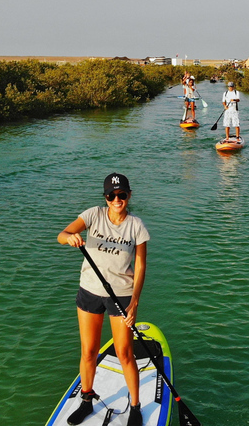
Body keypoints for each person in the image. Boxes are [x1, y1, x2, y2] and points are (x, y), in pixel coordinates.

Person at [57, 173, 149, 426]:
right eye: (111, 195)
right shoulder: (93, 215)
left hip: (121, 295)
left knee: (125, 354)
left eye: (121, 195)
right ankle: (87, 400)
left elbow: (140, 266)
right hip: (89, 290)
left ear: (128, 196)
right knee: (88, 352)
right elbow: (62, 234)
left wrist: (136, 301)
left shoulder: (136, 226)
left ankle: (135, 406)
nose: (116, 199)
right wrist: (70, 238)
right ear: (105, 197)